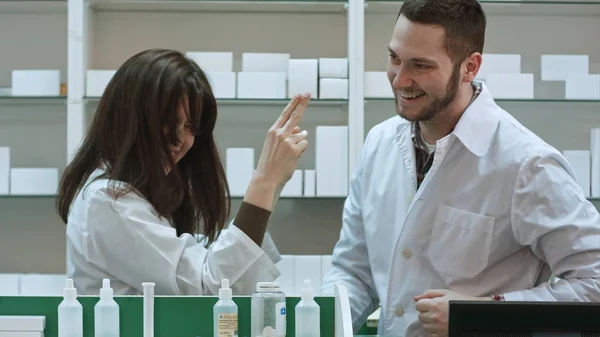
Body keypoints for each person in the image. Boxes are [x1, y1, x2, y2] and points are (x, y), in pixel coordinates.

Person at [320, 0, 600, 336]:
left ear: (470, 67)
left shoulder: (527, 165)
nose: (400, 79)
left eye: (421, 66)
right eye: (395, 58)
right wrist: (318, 326)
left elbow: (593, 282)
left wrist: (481, 315)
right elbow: (354, 271)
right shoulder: (379, 143)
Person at [57, 48, 312, 296]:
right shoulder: (108, 202)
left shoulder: (137, 197)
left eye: (190, 126)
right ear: (131, 117)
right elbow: (209, 287)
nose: (180, 140)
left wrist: (273, 180)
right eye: (168, 122)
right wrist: (265, 179)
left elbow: (219, 268)